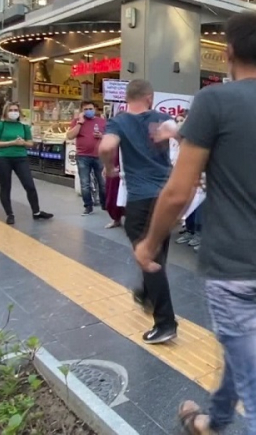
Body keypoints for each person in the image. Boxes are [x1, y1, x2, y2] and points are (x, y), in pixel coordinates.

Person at [132, 12, 256, 435]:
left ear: (228, 52)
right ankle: (212, 422)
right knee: (244, 350)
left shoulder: (214, 101)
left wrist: (148, 244)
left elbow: (179, 192)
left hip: (233, 264)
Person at [99, 80, 178, 344]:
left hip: (141, 200)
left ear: (128, 97)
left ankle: (166, 323)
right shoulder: (162, 118)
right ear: (149, 97)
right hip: (166, 197)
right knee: (157, 253)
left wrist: (109, 169)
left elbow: (107, 147)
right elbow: (182, 134)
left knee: (148, 259)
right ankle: (146, 293)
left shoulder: (119, 122)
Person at [0, 102, 52, 225]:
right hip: (3, 158)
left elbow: (30, 143)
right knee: (5, 186)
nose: (14, 112)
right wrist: (12, 142)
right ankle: (9, 214)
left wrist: (23, 142)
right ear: (5, 112)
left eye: (16, 110)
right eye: (11, 110)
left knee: (29, 185)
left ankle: (36, 212)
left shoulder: (24, 127)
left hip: (21, 158)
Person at [67, 101, 108, 215]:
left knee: (103, 182)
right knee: (85, 183)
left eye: (90, 108)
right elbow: (70, 136)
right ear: (81, 111)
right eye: (85, 109)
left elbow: (110, 136)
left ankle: (105, 205)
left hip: (99, 155)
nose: (88, 111)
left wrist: (102, 136)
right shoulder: (77, 122)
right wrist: (80, 123)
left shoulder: (102, 121)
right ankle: (88, 206)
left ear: (95, 109)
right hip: (82, 156)